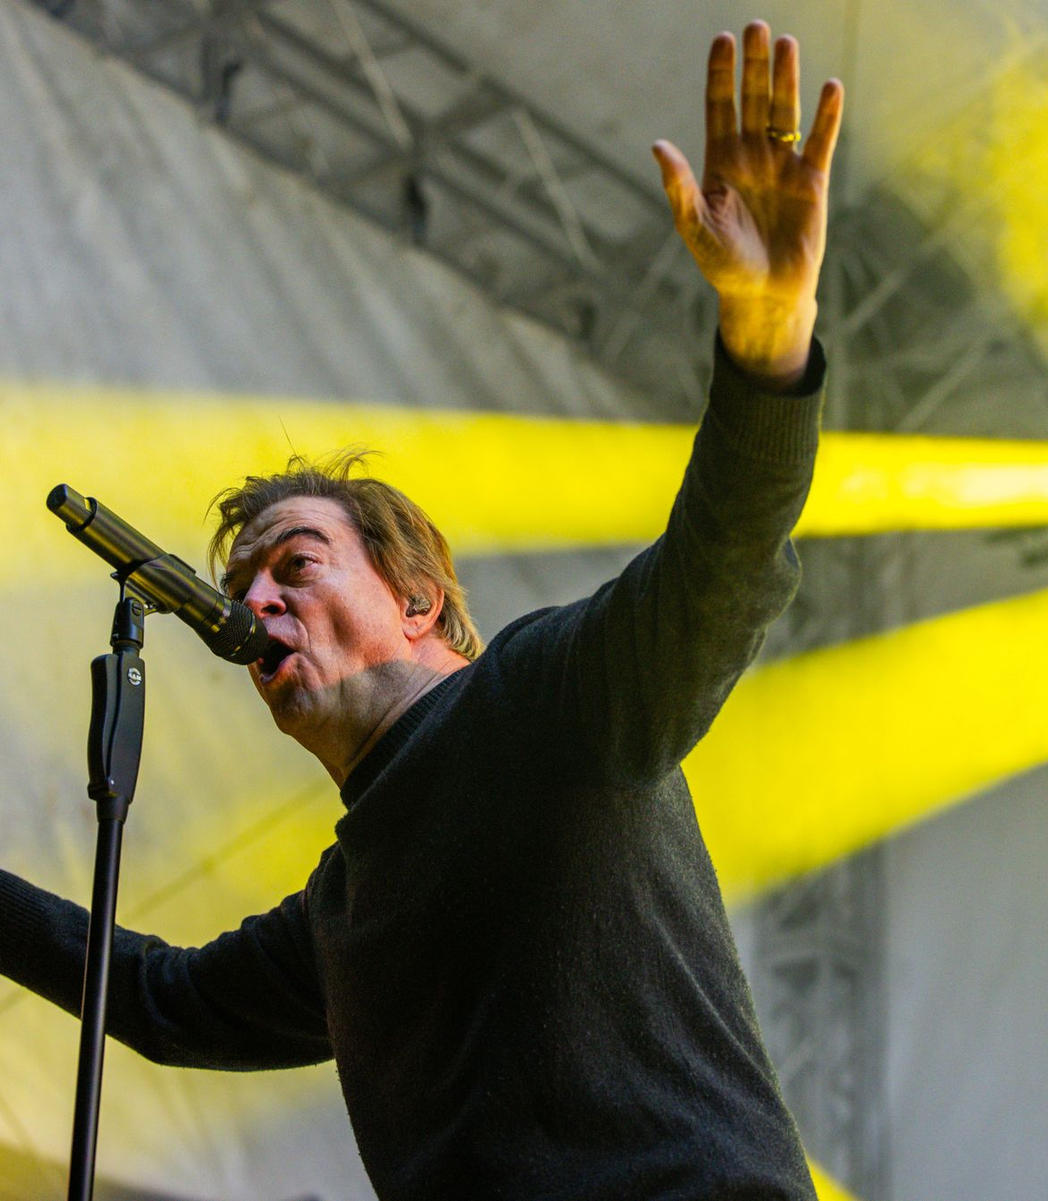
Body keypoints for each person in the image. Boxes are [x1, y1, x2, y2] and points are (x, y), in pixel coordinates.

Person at [0, 20, 843, 1200]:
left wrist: (767, 346)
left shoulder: (544, 703)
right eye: (242, 588)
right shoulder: (351, 902)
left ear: (415, 598)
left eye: (293, 565)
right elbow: (152, 999)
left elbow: (726, 565)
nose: (253, 604)